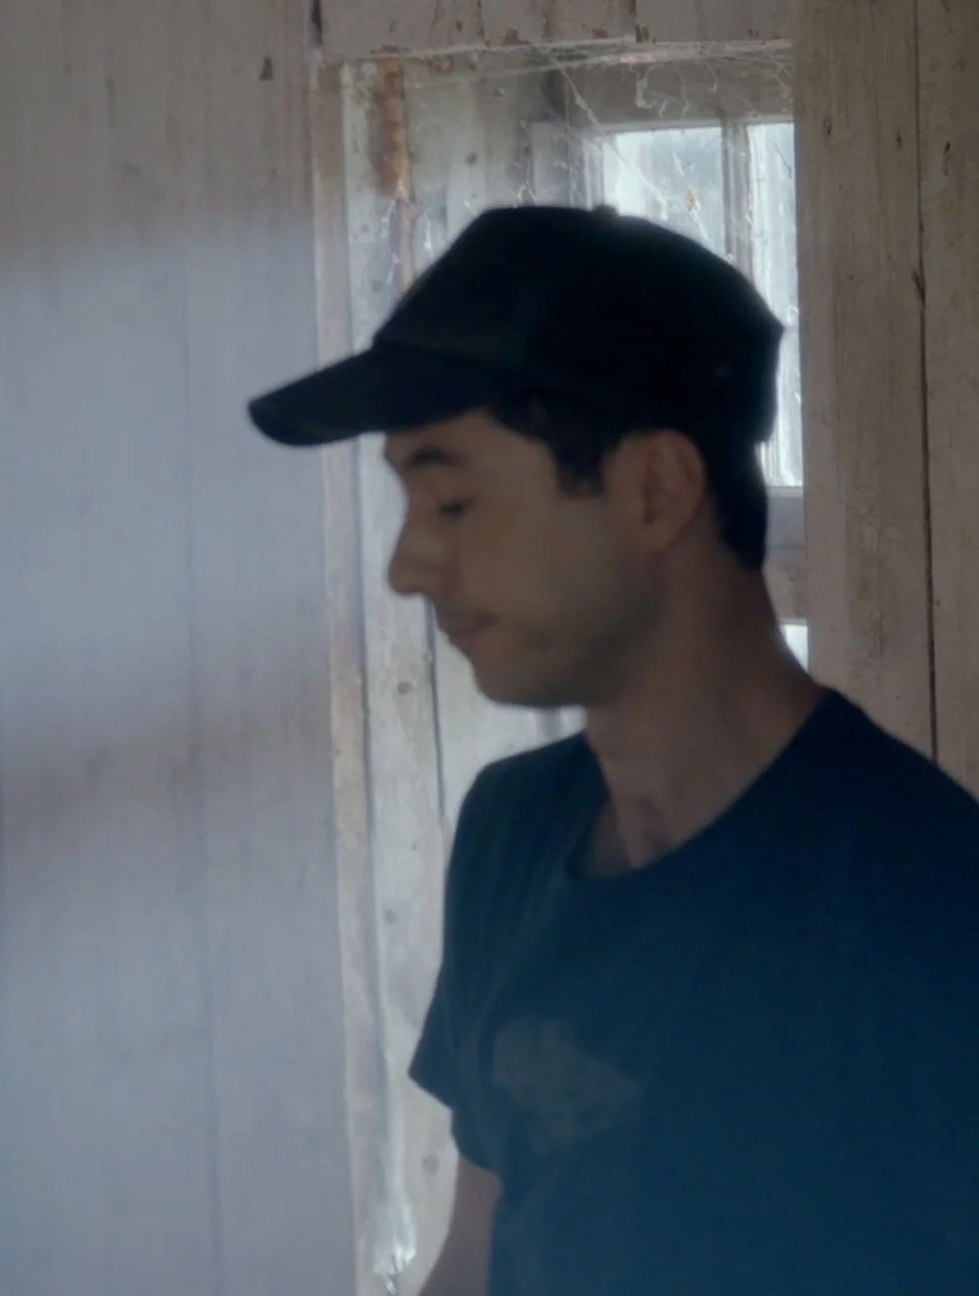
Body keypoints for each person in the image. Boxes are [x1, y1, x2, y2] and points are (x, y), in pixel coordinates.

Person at [248, 205, 979, 1295]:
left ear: (657, 491)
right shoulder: (510, 832)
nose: (407, 565)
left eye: (453, 500)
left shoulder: (925, 905)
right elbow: (478, 1256)